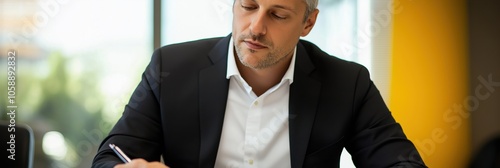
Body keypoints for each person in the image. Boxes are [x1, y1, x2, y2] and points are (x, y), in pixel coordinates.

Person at [92, 0, 427, 167]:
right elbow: (110, 156)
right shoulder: (172, 69)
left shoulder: (347, 83)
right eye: (248, 6)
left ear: (308, 22)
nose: (255, 27)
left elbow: (401, 162)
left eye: (277, 15)